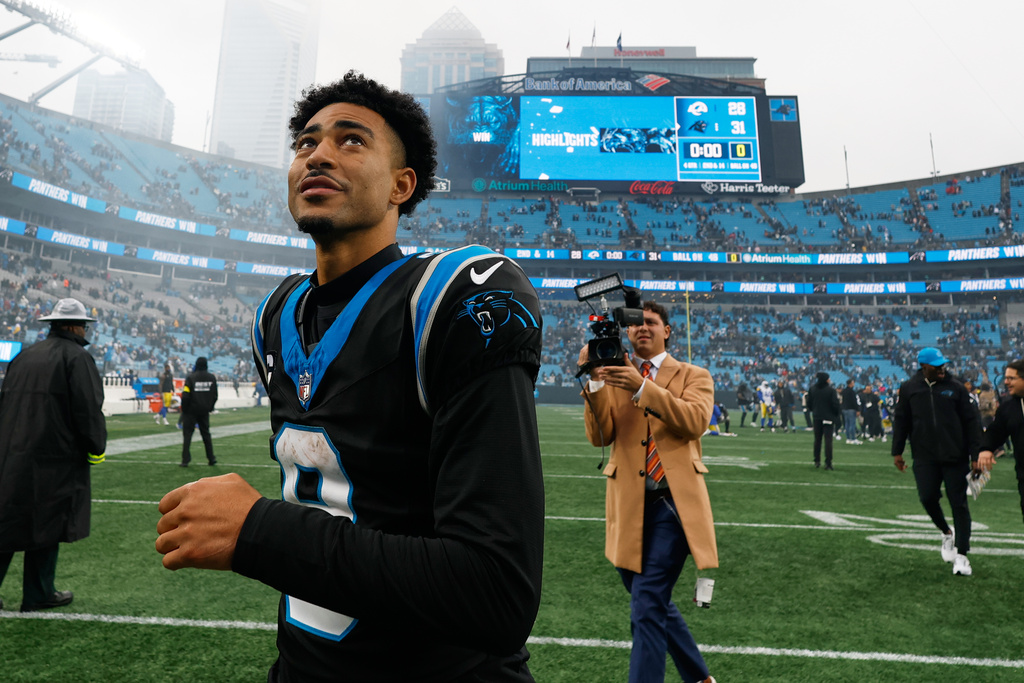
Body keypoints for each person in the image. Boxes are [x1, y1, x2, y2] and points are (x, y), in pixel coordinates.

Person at [155, 71, 544, 682]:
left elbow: (496, 594)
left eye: (351, 140)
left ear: (401, 184)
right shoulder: (275, 315)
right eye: (307, 143)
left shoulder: (447, 300)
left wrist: (259, 530)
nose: (319, 155)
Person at [579, 301, 718, 683]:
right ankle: (700, 678)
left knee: (645, 605)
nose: (643, 328)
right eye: (636, 324)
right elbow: (600, 437)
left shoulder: (693, 375)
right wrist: (594, 380)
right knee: (649, 600)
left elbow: (693, 422)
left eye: (652, 322)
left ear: (667, 331)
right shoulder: (613, 375)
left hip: (673, 506)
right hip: (629, 505)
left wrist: (642, 387)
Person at [0, 298, 106, 612]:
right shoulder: (77, 357)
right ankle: (38, 592)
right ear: (74, 326)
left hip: (12, 452)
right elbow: (88, 410)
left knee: (6, 521)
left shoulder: (25, 356)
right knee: (47, 524)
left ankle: (37, 592)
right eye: (84, 324)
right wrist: (95, 446)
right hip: (55, 457)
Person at [891, 347, 982, 576]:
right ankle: (946, 532)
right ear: (924, 367)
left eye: (943, 365)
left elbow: (972, 422)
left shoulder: (957, 388)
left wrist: (976, 455)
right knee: (927, 497)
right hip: (924, 456)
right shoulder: (910, 388)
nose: (942, 368)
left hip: (955, 456)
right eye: (937, 366)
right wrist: (898, 451)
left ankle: (962, 556)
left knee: (958, 503)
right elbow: (901, 420)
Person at [978, 360, 1024, 524]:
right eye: (1006, 378)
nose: (1006, 382)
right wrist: (986, 449)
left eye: (1011, 378)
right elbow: (995, 431)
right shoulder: (1009, 407)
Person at [180, 356, 218, 467]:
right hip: (204, 411)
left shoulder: (190, 378)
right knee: (206, 435)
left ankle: (185, 460)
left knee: (187, 435)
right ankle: (211, 458)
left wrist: (184, 409)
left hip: (191, 411)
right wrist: (209, 407)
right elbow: (215, 395)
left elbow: (186, 395)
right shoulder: (212, 378)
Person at [808, 372, 841, 469]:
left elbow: (809, 403)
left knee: (817, 440)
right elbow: (835, 404)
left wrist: (814, 411)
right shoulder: (831, 390)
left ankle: (817, 460)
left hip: (817, 417)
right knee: (828, 440)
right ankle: (828, 462)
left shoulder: (812, 389)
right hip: (828, 418)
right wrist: (835, 415)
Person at [840, 379, 861, 444]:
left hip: (844, 409)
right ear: (850, 384)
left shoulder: (844, 391)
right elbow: (854, 402)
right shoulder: (852, 392)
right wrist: (857, 409)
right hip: (851, 409)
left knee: (847, 424)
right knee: (852, 424)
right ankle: (853, 439)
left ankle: (848, 438)